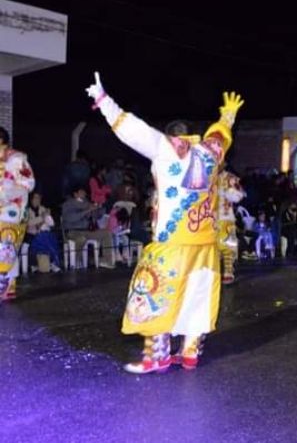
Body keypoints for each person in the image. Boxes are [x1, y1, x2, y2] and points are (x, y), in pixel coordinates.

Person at [86, 72, 244, 373]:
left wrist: (104, 101)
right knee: (196, 297)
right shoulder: (210, 151)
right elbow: (220, 134)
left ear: (171, 135)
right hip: (205, 244)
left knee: (154, 291)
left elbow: (131, 130)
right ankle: (189, 354)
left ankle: (157, 356)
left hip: (172, 243)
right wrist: (228, 116)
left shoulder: (165, 148)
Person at [0, 126, 35, 300]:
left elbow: (27, 184)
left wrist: (5, 194)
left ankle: (6, 286)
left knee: (6, 249)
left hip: (11, 213)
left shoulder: (16, 159)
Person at [61, 186, 115, 269]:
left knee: (106, 233)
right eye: (81, 192)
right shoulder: (68, 204)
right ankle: (75, 261)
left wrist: (99, 208)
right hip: (73, 231)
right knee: (81, 239)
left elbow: (96, 217)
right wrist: (87, 210)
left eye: (84, 192)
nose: (84, 194)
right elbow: (71, 218)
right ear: (75, 194)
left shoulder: (87, 203)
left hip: (87, 231)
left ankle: (106, 261)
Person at [217, 169, 245, 284]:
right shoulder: (208, 174)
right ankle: (216, 272)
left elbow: (237, 196)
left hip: (225, 217)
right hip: (211, 218)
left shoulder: (227, 176)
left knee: (228, 246)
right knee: (215, 247)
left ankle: (228, 271)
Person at [25, 192, 61, 272]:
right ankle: (51, 262)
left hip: (44, 234)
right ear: (31, 199)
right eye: (36, 198)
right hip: (32, 234)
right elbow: (29, 223)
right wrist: (42, 217)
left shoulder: (43, 209)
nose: (38, 200)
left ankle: (52, 262)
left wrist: (47, 216)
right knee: (45, 238)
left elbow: (51, 223)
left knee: (49, 236)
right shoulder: (26, 211)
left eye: (39, 198)